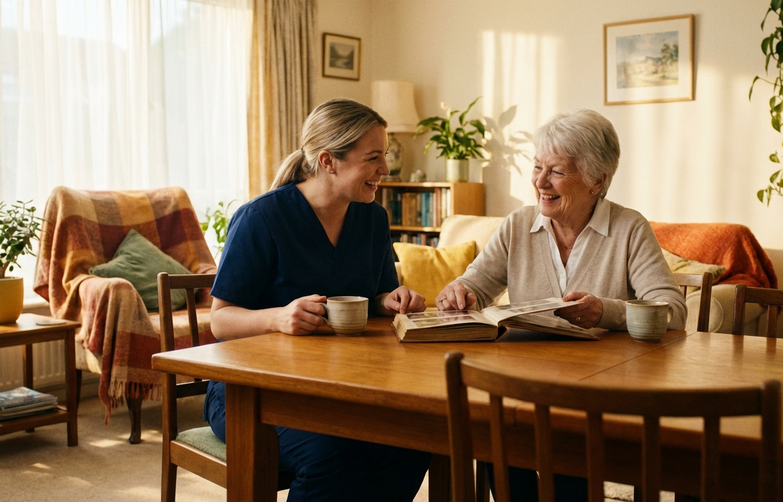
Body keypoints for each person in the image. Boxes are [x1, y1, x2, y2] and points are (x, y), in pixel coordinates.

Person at [435, 108, 687, 501]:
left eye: (556, 171)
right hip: (520, 388)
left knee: (570, 474)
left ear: (597, 180)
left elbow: (672, 308)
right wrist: (459, 291)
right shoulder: (519, 224)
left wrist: (606, 311)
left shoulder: (629, 228)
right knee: (494, 439)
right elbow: (476, 284)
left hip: (596, 395)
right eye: (537, 167)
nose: (539, 182)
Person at [204, 98, 431, 502]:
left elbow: (378, 295)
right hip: (249, 390)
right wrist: (277, 318)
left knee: (411, 443)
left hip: (341, 384)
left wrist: (392, 300)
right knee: (333, 456)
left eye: (386, 156)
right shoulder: (261, 218)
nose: (386, 169)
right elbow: (220, 320)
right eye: (374, 157)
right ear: (329, 161)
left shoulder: (372, 217)